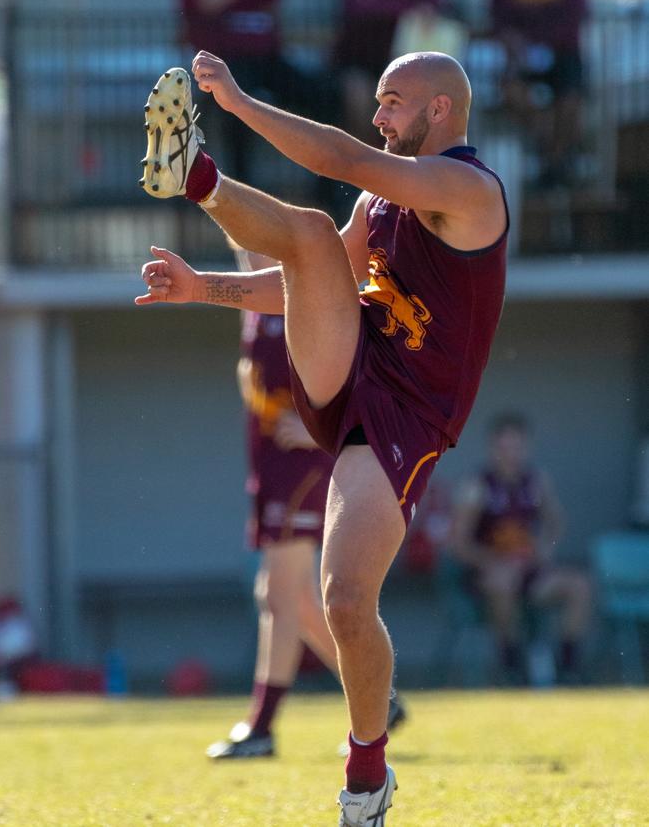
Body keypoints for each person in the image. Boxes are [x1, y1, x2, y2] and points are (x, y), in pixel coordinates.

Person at [136, 44, 508, 824]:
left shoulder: (467, 189)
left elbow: (340, 154)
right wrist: (206, 288)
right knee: (309, 236)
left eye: (393, 100)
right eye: (377, 98)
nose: (377, 115)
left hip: (407, 419)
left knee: (342, 597)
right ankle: (196, 174)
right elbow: (310, 282)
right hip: (349, 369)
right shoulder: (382, 206)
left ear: (440, 109)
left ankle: (367, 774)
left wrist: (238, 102)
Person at [206, 276, 406, 759]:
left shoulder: (314, 296)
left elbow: (365, 375)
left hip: (304, 465)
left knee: (278, 593)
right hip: (271, 463)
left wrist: (324, 428)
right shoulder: (254, 299)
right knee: (288, 595)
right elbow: (250, 374)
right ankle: (384, 699)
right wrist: (210, 198)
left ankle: (262, 725)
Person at [450, 413, 592, 685]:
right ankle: (512, 666)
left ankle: (568, 667)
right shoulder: (477, 486)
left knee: (580, 586)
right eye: (505, 448)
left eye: (517, 448)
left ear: (527, 448)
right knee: (502, 584)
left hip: (530, 572)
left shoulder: (537, 481)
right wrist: (494, 562)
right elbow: (459, 544)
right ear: (493, 448)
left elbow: (556, 523)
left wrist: (545, 548)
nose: (511, 455)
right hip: (488, 578)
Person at [179, 0, 332, 183]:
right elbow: (207, 2)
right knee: (235, 109)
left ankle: (328, 187)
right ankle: (240, 189)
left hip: (268, 62)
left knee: (323, 94)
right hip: (225, 66)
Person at [489, 0, 589, 187]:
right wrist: (515, 42)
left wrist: (546, 40)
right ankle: (551, 150)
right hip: (520, 58)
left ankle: (555, 166)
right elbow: (498, 19)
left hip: (564, 57)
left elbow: (577, 16)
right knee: (513, 93)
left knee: (570, 105)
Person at [335, 0, 443, 145]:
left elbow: (436, 2)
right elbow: (363, 5)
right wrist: (410, 9)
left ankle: (406, 166)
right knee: (358, 97)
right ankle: (361, 164)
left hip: (398, 70)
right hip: (356, 66)